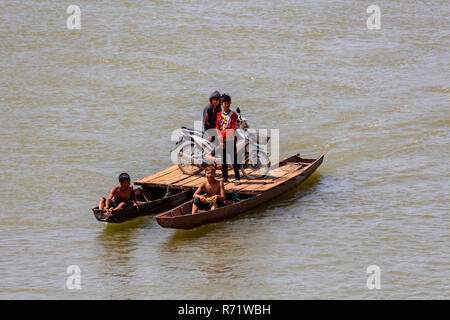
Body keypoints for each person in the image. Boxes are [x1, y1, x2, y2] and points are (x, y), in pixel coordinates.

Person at [216, 93, 240, 183]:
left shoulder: (234, 115)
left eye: (228, 102)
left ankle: (237, 177)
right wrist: (221, 140)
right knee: (223, 160)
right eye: (224, 103)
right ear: (221, 104)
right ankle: (225, 177)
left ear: (230, 103)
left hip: (230, 140)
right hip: (222, 140)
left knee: (234, 159)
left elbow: (233, 128)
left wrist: (225, 137)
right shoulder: (219, 115)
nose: (226, 104)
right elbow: (218, 128)